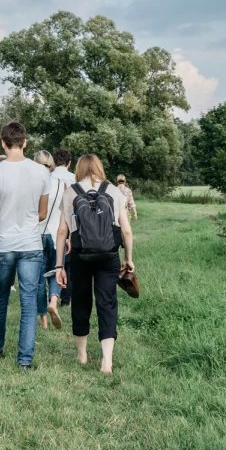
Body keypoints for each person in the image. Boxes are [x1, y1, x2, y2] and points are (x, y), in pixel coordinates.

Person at [0, 122, 51, 369]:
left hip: (3, 244)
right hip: (30, 243)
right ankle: (25, 359)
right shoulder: (41, 172)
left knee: (0, 298)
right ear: (25, 142)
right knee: (28, 302)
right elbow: (42, 213)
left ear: (3, 143)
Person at [56, 153, 134, 374]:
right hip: (108, 255)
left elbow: (62, 232)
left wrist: (59, 265)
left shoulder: (71, 192)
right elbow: (126, 230)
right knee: (107, 302)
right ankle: (107, 360)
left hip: (80, 255)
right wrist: (128, 258)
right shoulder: (114, 191)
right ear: (99, 168)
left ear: (79, 169)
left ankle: (82, 355)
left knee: (80, 300)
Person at [33, 150, 64, 329]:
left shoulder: (31, 184)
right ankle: (53, 301)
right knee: (56, 270)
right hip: (56, 234)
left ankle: (43, 318)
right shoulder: (61, 184)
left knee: (38, 278)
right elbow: (66, 213)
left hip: (35, 235)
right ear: (51, 164)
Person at [51, 149, 75, 306]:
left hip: (48, 226)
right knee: (68, 263)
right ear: (69, 163)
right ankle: (66, 298)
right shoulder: (75, 179)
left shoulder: (48, 178)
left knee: (50, 263)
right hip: (68, 223)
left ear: (54, 162)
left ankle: (50, 295)